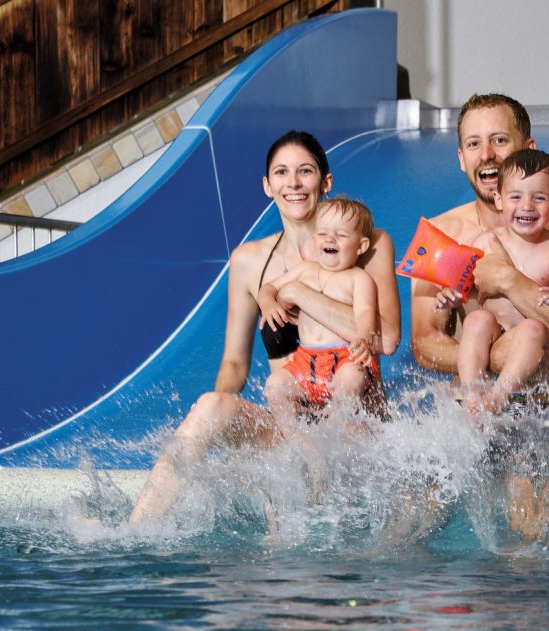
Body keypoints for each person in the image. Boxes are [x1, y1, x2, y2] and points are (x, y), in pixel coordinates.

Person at [129, 131, 400, 523]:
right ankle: (137, 533)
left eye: (305, 171)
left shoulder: (367, 243)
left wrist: (302, 294)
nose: (293, 183)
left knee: (339, 432)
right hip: (292, 434)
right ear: (267, 185)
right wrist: (221, 420)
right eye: (281, 173)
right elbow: (234, 365)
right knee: (210, 407)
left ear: (325, 181)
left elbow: (386, 339)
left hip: (352, 429)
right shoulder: (249, 261)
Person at [411, 93, 549, 385]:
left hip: (544, 409)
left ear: (528, 149)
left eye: (499, 140)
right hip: (469, 405)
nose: (486, 155)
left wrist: (509, 281)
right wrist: (494, 357)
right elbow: (425, 344)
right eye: (474, 144)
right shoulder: (442, 234)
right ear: (462, 158)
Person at [435, 149, 549, 413]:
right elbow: (464, 287)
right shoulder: (486, 242)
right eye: (516, 197)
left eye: (539, 197)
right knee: (477, 320)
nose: (527, 206)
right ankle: (472, 396)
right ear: (499, 200)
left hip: (536, 353)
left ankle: (497, 397)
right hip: (494, 338)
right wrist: (450, 296)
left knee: (532, 328)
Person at [261, 197, 380, 419]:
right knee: (275, 386)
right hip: (305, 359)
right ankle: (293, 437)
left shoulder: (359, 279)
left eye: (341, 235)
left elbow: (365, 312)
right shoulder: (305, 270)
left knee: (352, 377)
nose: (330, 239)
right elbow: (268, 288)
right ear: (315, 239)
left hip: (346, 357)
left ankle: (337, 426)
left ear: (361, 246)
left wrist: (364, 339)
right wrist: (268, 304)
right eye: (323, 233)